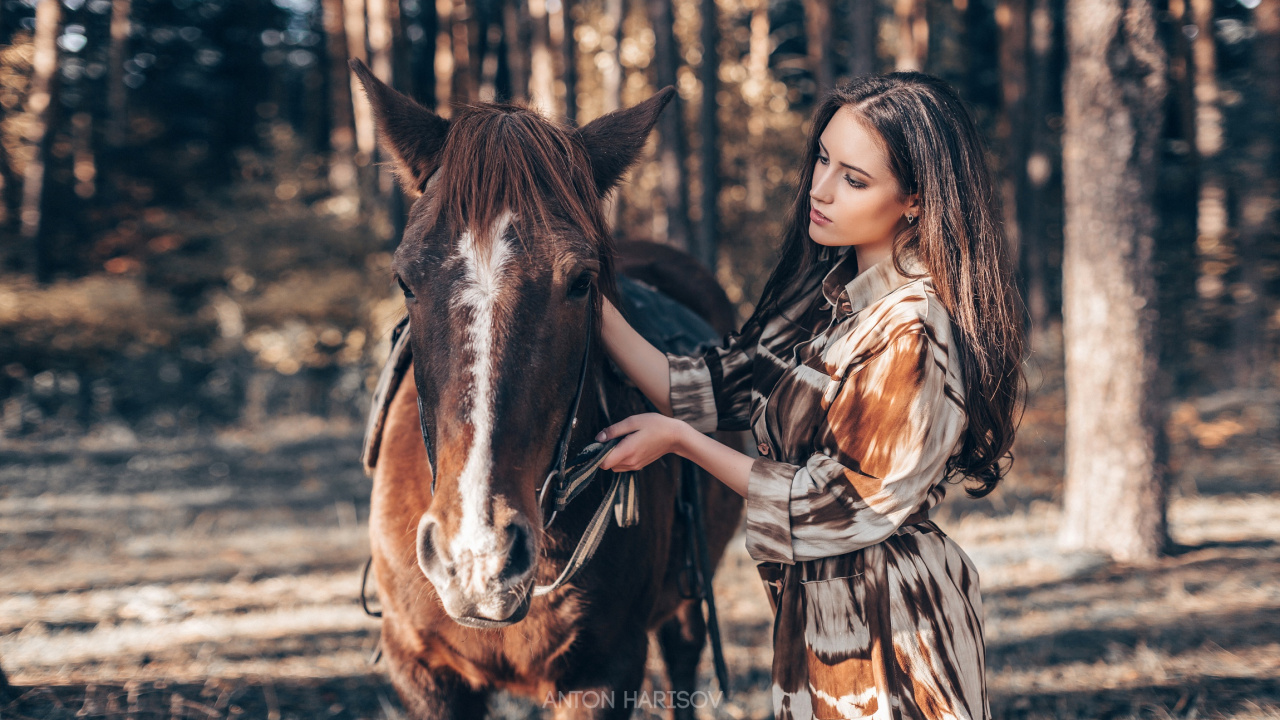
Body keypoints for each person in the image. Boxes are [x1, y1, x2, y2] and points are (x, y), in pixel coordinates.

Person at [594, 73, 1024, 720]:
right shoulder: (826, 304)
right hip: (817, 620)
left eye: (854, 179)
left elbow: (842, 502)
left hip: (892, 628)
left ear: (915, 200)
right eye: (823, 158)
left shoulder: (911, 329)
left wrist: (682, 442)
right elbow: (706, 388)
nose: (820, 189)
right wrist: (579, 297)